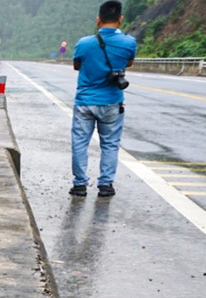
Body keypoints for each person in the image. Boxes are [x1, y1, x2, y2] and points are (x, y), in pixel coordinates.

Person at [70, 1, 137, 197]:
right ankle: (106, 184)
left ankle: (80, 184)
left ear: (98, 20)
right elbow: (129, 63)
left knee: (80, 143)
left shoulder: (84, 43)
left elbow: (77, 65)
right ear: (120, 19)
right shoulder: (129, 42)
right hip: (112, 101)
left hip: (85, 101)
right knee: (110, 144)